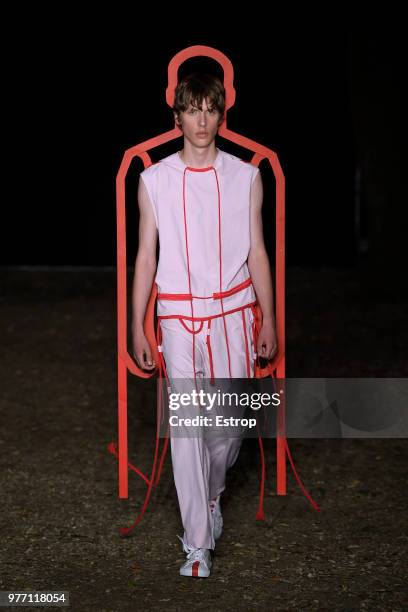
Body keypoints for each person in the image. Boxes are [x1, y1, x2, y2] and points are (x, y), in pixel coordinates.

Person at [131, 72, 277, 578]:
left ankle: (212, 493)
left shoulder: (246, 177)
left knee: (229, 430)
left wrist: (269, 320)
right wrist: (137, 325)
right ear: (177, 117)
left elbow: (258, 251)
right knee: (188, 432)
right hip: (176, 316)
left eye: (209, 109)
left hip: (234, 315)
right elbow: (145, 257)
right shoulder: (154, 180)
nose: (200, 119)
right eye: (191, 109)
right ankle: (197, 544)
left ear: (220, 114)